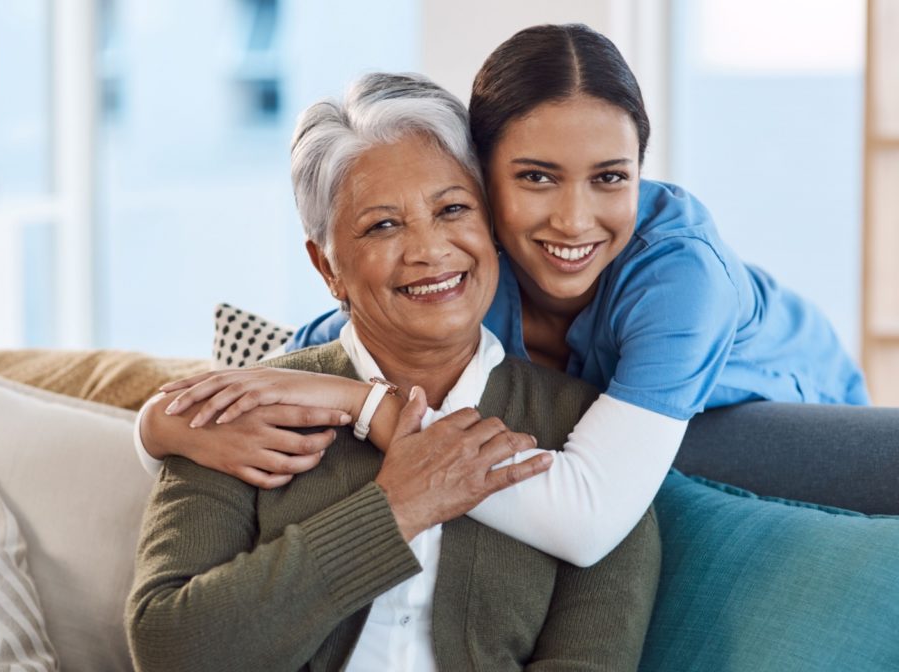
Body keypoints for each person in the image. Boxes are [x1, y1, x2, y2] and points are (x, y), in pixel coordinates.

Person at [150, 23, 868, 565]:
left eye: (611, 177)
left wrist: (361, 406)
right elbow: (300, 361)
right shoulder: (469, 268)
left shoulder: (679, 276)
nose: (574, 220)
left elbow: (584, 523)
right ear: (481, 181)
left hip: (789, 427)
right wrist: (155, 426)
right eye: (535, 177)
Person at [126, 72, 659, 671]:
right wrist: (396, 508)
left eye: (453, 209)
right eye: (383, 225)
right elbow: (169, 649)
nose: (429, 251)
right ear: (326, 266)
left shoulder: (587, 440)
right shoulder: (242, 411)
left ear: (493, 226)